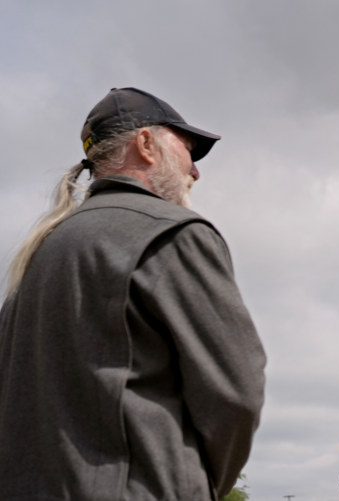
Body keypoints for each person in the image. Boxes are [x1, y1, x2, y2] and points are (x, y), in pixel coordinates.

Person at [0, 87, 267, 500]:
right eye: (188, 151)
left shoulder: (36, 256)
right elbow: (236, 395)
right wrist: (198, 486)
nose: (195, 172)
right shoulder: (172, 233)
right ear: (146, 145)